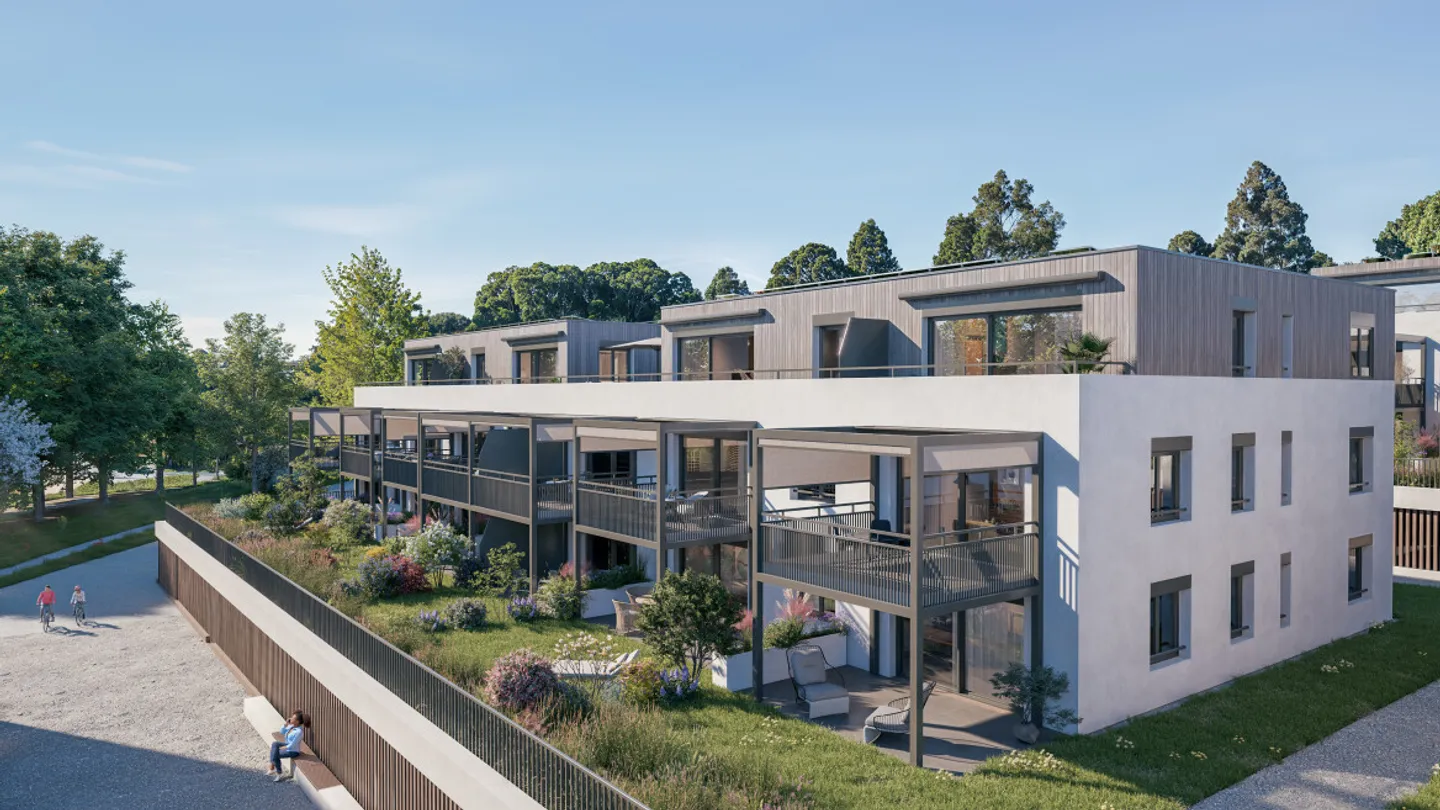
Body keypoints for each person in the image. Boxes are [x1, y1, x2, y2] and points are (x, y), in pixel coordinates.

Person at [267, 710, 308, 782]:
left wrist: (284, 748)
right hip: (287, 745)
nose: (290, 718)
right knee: (275, 744)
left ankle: (278, 772)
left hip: (293, 750)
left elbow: (293, 744)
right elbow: (282, 732)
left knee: (275, 754)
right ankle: (273, 768)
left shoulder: (299, 732)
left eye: (293, 718)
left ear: (297, 721)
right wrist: (285, 724)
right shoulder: (291, 726)